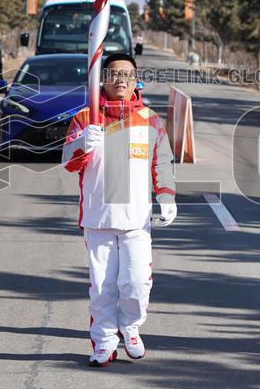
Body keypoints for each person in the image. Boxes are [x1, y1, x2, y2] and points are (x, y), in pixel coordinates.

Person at [61, 53, 177, 367]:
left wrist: (166, 196)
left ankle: (131, 327)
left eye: (127, 74)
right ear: (104, 79)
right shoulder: (86, 118)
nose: (121, 80)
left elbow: (162, 162)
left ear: (135, 79)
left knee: (137, 283)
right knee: (102, 286)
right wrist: (82, 143)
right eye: (114, 74)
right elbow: (68, 162)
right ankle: (104, 341)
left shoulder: (149, 119)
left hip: (138, 218)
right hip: (99, 216)